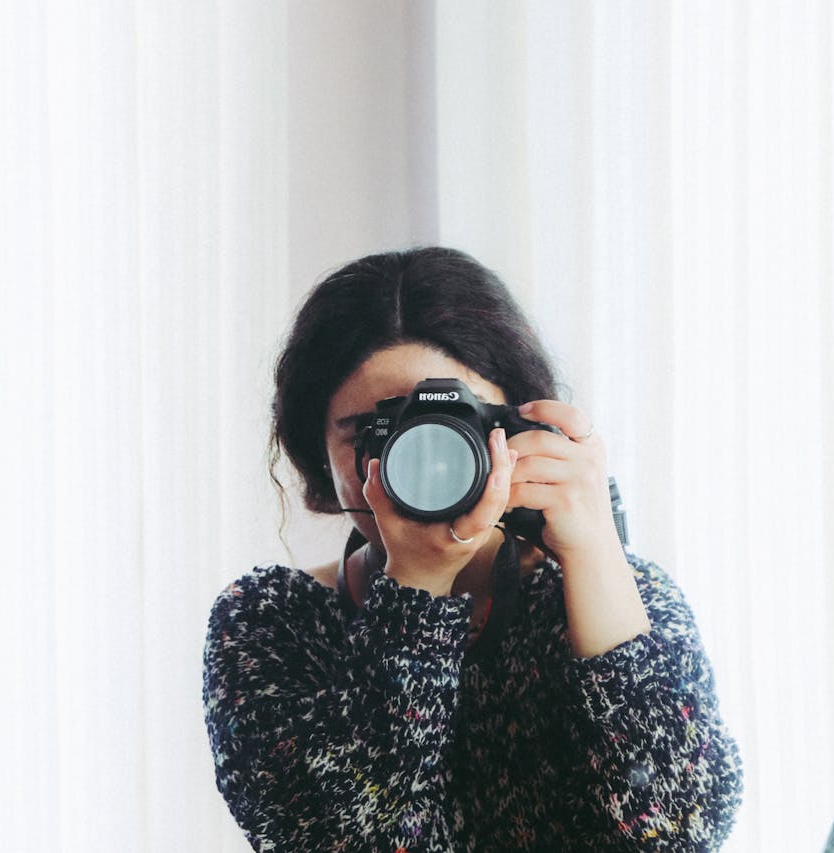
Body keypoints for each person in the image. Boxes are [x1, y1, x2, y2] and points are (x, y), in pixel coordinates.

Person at [201, 247, 743, 851]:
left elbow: (679, 833)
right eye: (373, 435)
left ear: (516, 428)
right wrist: (416, 588)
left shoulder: (614, 593)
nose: (422, 463)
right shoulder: (270, 622)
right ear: (318, 455)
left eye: (455, 428)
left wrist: (594, 554)